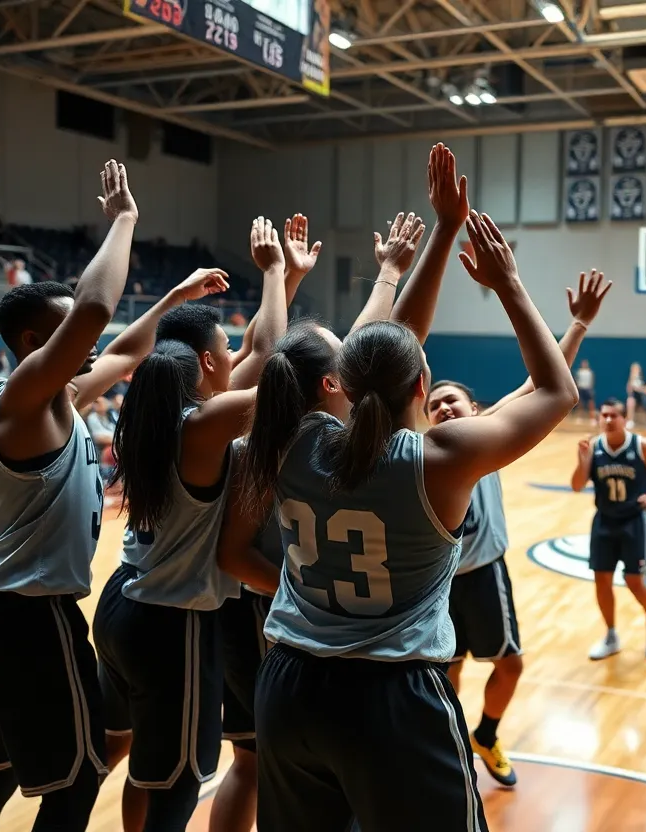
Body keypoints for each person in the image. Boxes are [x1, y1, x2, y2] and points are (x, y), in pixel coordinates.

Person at [241, 211, 576, 831]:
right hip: (392, 694)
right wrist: (505, 283)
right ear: (422, 385)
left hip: (288, 683)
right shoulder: (439, 461)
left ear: (337, 385)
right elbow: (557, 392)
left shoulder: (282, 441)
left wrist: (407, 262)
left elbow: (381, 346)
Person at [211, 143, 468, 832]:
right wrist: (442, 236)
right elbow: (385, 344)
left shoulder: (270, 436)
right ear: (334, 384)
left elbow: (369, 344)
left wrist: (379, 272)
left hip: (293, 663)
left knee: (269, 780)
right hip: (346, 660)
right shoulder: (364, 453)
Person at [0, 160, 145, 830]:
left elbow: (122, 352)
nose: (86, 348)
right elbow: (94, 310)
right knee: (78, 779)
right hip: (29, 618)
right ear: (35, 345)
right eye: (68, 340)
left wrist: (174, 300)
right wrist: (123, 220)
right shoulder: (27, 399)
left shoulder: (40, 398)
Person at [91, 216, 296, 831]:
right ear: (209, 364)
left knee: (145, 769)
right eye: (224, 352)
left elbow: (250, 353)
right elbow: (274, 363)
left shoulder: (153, 422)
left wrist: (279, 283)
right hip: (170, 626)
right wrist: (276, 272)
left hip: (122, 601)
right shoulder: (202, 429)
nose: (234, 356)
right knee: (178, 788)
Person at [429, 270, 612, 788]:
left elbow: (540, 385)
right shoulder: (424, 458)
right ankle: (450, 741)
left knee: (508, 667)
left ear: (477, 413)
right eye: (434, 404)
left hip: (485, 574)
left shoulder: (485, 443)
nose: (444, 406)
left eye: (453, 402)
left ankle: (485, 733)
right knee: (444, 674)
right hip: (437, 584)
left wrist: (576, 324)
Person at [570, 398, 646, 661]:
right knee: (602, 579)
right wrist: (582, 460)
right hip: (604, 520)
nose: (607, 420)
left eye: (613, 416)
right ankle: (611, 635)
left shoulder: (642, 446)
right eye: (604, 415)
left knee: (634, 581)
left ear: (624, 418)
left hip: (634, 521)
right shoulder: (593, 448)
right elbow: (576, 485)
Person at [625, 362, 646, 429]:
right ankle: (630, 421)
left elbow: (641, 388)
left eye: (637, 368)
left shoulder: (640, 378)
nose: (636, 370)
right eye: (634, 369)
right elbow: (629, 388)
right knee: (630, 403)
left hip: (640, 395)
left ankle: (645, 423)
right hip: (634, 395)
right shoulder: (632, 377)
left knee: (641, 409)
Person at [574, 358, 595, 424]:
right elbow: (577, 381)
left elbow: (592, 381)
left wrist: (591, 389)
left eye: (585, 363)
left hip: (588, 389)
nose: (584, 365)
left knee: (591, 404)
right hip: (581, 389)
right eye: (583, 363)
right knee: (580, 404)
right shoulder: (579, 372)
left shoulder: (590, 372)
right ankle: (579, 418)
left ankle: (592, 419)